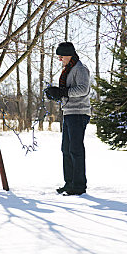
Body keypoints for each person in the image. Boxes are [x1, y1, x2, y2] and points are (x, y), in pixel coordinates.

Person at [45, 42, 91, 195]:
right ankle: (69, 183)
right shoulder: (68, 69)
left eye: (61, 56)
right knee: (66, 149)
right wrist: (56, 93)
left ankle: (79, 186)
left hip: (79, 113)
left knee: (75, 149)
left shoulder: (80, 69)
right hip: (69, 112)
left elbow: (83, 89)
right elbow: (67, 91)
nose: (60, 59)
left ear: (69, 55)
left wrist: (63, 92)